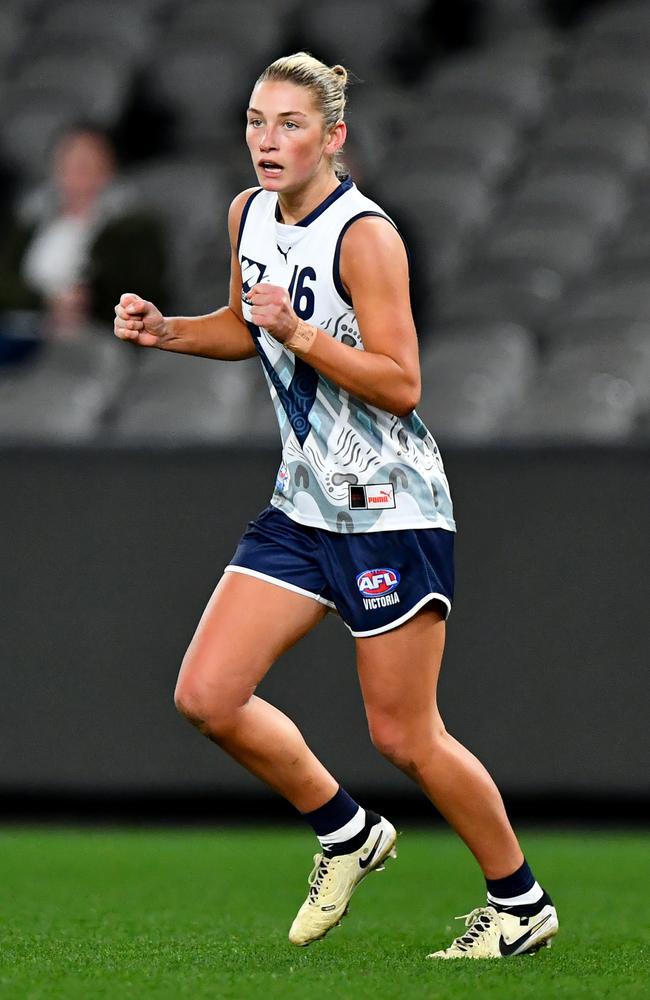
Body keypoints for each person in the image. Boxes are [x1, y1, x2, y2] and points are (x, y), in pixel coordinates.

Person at [113, 52, 558, 960]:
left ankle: (520, 904)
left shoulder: (366, 236)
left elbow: (401, 383)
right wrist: (169, 332)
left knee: (405, 735)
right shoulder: (247, 214)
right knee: (206, 693)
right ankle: (348, 833)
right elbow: (246, 325)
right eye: (255, 121)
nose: (266, 141)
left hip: (390, 504)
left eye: (289, 124)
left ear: (335, 137)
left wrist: (300, 332)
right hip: (304, 501)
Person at [0, 122, 167, 349]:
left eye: (88, 161)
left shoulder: (132, 228)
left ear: (109, 167)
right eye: (69, 160)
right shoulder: (30, 218)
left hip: (93, 332)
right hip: (23, 325)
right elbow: (5, 280)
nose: (78, 170)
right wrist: (45, 302)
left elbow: (140, 289)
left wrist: (87, 299)